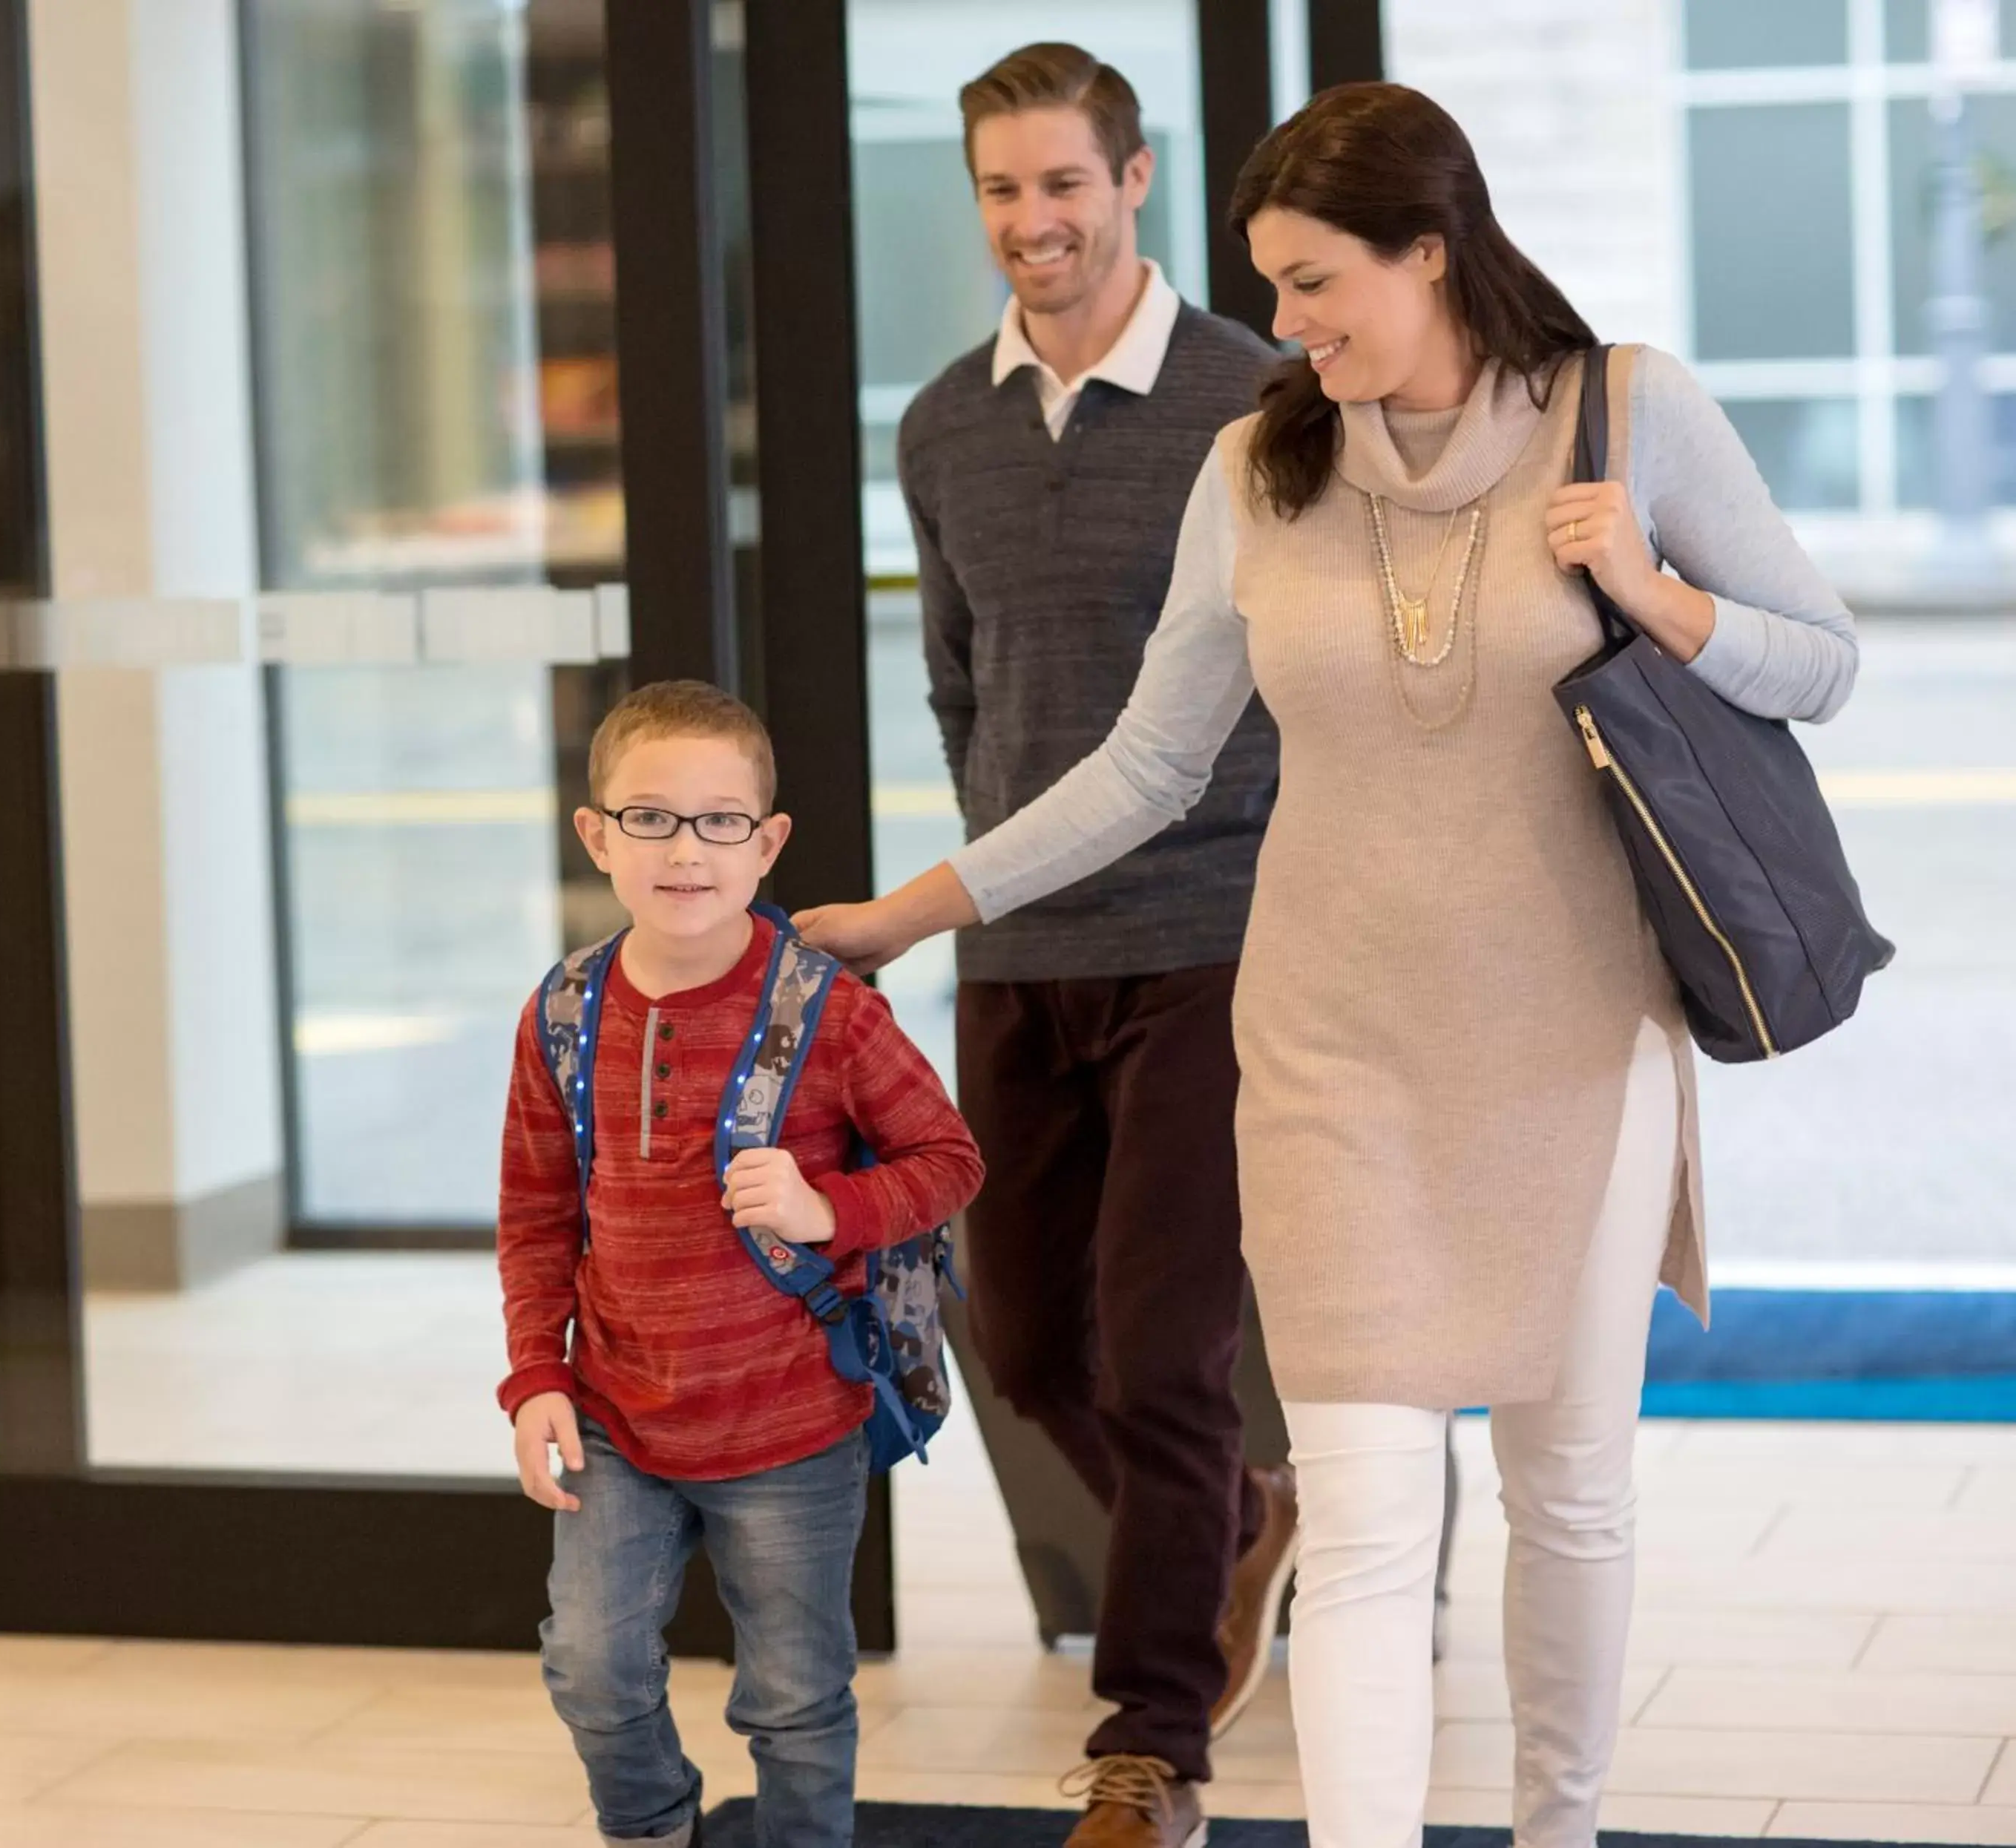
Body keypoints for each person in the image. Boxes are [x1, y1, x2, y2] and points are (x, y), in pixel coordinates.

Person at [804, 82, 1860, 1848]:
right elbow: (1151, 760)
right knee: (1366, 1518)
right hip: (1327, 1053)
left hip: (1573, 1041)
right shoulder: (1260, 465)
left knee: (1569, 1493)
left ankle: (1557, 1828)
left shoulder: (1627, 411)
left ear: (1429, 253)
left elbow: (1819, 663)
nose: (1284, 331)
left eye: (1313, 288)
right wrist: (919, 910)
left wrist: (1658, 594)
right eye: (1271, 292)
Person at [894, 44, 1302, 1843]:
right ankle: (1236, 1519)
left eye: (1063, 184)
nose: (1031, 223)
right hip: (1020, 944)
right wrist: (990, 873)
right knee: (1035, 1348)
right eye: (999, 189)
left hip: (1219, 937)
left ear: (1135, 183)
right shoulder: (939, 424)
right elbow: (960, 683)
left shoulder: (1261, 399)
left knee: (1160, 1352)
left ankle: (1151, 1750)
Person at [499, 681, 985, 1848]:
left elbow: (950, 1158)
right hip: (620, 1411)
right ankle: (656, 1826)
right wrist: (535, 1375)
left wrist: (830, 1207)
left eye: (722, 821)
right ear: (596, 835)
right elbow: (534, 1208)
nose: (686, 849)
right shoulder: (565, 1009)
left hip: (790, 1423)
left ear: (767, 844)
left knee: (796, 1697)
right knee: (592, 1663)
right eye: (651, 817)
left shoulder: (829, 1011)